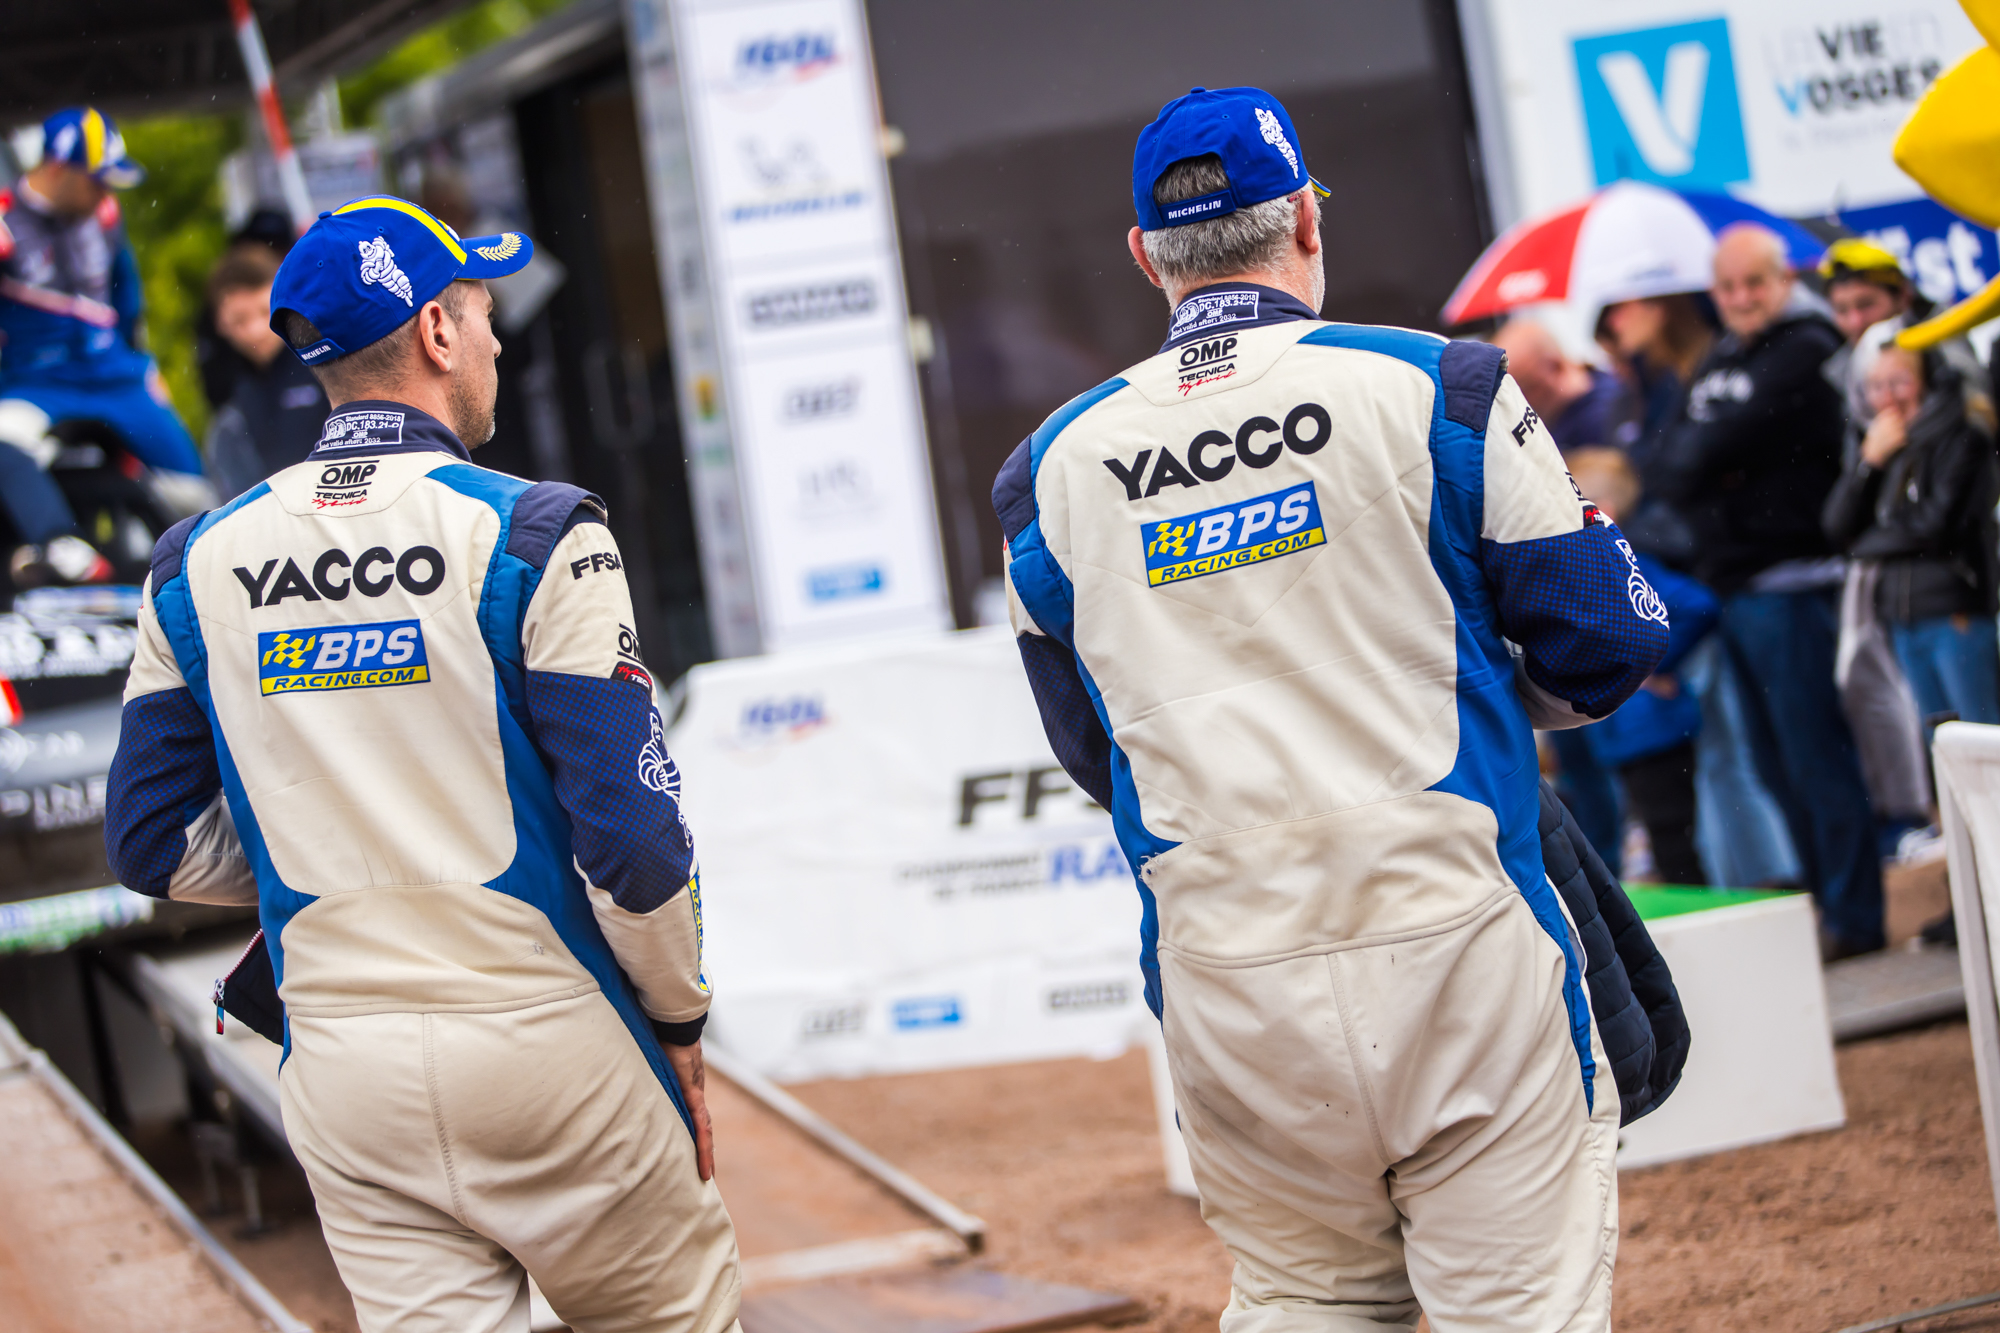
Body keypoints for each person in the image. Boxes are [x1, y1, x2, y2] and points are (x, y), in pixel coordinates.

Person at [995, 86, 1681, 1330]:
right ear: (1306, 223)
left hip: (1224, 975)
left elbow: (1095, 750)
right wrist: (1475, 692)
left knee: (1304, 1298)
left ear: (1146, 257)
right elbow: (1609, 638)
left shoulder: (1045, 470)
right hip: (1458, 941)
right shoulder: (1439, 384)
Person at [102, 197, 741, 1333]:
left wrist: (340, 855)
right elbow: (637, 846)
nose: (496, 341)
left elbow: (149, 844)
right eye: (483, 312)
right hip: (550, 1037)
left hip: (345, 1070)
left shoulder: (191, 560)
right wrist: (682, 1024)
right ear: (439, 333)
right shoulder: (538, 530)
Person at [1649, 223, 1885, 959]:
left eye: (1754, 282)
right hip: (1734, 588)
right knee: (1776, 766)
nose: (1742, 298)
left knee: (1817, 758)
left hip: (1794, 584)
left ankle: (1855, 916)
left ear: (1785, 281)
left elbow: (1712, 446)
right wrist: (1712, 459)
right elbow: (1669, 462)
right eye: (1727, 286)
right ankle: (1828, 911)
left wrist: (1714, 458)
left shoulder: (1807, 347)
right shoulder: (1722, 356)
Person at [0, 107, 205, 583]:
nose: (105, 193)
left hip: (115, 376)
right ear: (57, 169)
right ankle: (58, 546)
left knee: (192, 488)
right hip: (37, 380)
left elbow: (125, 297)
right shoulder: (6, 222)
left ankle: (206, 559)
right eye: (96, 181)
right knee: (4, 440)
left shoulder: (106, 215)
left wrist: (144, 365)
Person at [1816, 239, 1936, 858]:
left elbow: (1936, 516)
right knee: (1926, 722)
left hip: (1952, 589)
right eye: (1843, 309)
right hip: (1900, 588)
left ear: (1901, 297)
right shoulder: (1847, 375)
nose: (1855, 321)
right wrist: (1869, 466)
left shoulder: (1947, 372)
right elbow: (1842, 519)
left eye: (1867, 304)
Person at [1824, 344, 2000, 739]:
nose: (1888, 397)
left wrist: (1864, 546)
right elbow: (1837, 526)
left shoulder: (1962, 436)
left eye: (1899, 382)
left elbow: (1934, 526)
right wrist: (1869, 463)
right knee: (1938, 742)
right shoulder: (1885, 445)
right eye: (1876, 386)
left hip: (1954, 612)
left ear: (1927, 382)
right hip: (1902, 617)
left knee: (1981, 737)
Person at [1566, 448, 1720, 885]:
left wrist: (1649, 665)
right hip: (1623, 733)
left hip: (1654, 728)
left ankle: (1698, 919)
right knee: (1650, 836)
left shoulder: (1625, 563)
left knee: (1673, 839)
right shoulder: (1586, 567)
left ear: (1601, 511)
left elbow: (1699, 605)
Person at [203, 244, 329, 500]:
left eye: (265, 313)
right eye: (240, 320)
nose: (256, 331)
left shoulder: (324, 363)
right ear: (221, 322)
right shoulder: (224, 382)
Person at [1491, 318, 1622, 448]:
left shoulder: (1602, 419)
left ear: (1555, 366)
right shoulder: (1607, 385)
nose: (1518, 403)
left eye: (1524, 388)